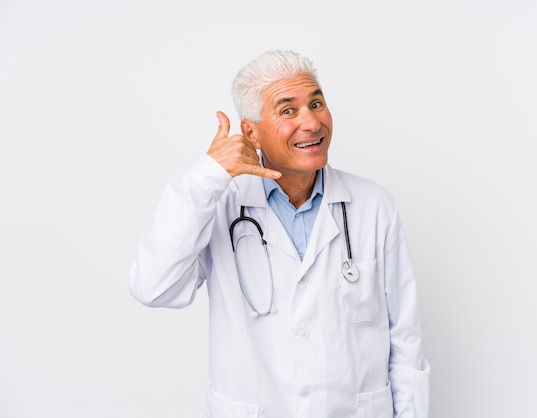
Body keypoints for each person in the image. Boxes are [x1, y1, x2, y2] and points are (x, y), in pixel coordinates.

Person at [129, 49, 430, 417]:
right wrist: (207, 176)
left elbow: (405, 341)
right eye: (288, 110)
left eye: (316, 103)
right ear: (251, 133)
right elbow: (153, 286)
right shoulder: (219, 205)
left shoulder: (373, 205)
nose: (312, 123)